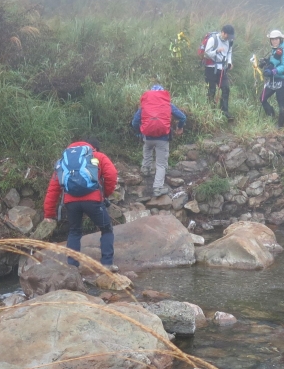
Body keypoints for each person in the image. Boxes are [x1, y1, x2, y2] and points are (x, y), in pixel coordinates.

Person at [43, 138, 118, 270]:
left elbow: (53, 188)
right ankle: (107, 264)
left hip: (71, 202)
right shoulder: (98, 156)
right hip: (93, 200)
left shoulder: (63, 161)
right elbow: (112, 174)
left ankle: (72, 267)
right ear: (93, 148)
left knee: (74, 232)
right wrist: (105, 194)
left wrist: (49, 213)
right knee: (106, 229)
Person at [131, 84, 187, 197]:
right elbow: (182, 117)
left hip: (147, 137)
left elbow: (134, 122)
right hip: (162, 138)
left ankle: (145, 170)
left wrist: (139, 132)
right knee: (161, 165)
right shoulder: (168, 104)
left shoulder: (144, 106)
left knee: (147, 148)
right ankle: (157, 188)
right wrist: (180, 128)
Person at [202, 24, 234, 120]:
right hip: (211, 68)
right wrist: (217, 51)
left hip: (222, 68)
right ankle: (210, 112)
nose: (229, 38)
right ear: (223, 32)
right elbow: (206, 54)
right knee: (211, 90)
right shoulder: (213, 39)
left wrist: (229, 62)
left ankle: (224, 112)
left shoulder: (230, 41)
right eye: (227, 35)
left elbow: (229, 53)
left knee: (226, 89)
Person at [260, 29, 284, 128]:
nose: (274, 41)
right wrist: (266, 61)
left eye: (276, 39)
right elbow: (274, 61)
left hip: (281, 80)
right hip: (273, 80)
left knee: (281, 102)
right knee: (262, 98)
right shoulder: (275, 49)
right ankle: (271, 116)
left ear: (280, 39)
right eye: (272, 39)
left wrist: (273, 71)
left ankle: (280, 125)